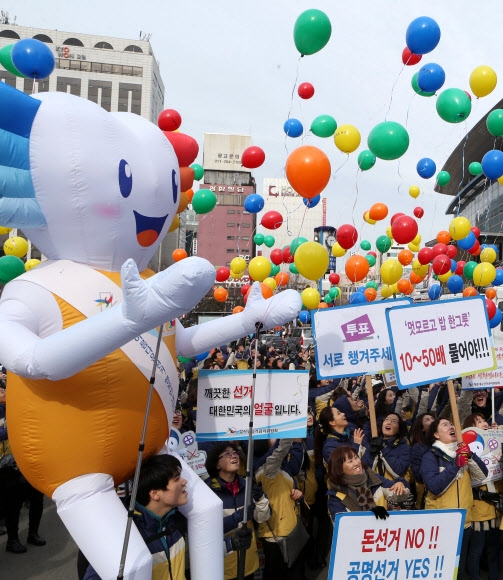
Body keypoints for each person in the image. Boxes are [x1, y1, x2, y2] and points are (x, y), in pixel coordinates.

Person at [83, 454, 190, 580]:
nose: (184, 481)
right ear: (155, 494)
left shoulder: (177, 518)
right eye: (177, 479)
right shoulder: (124, 534)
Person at [421, 418, 488, 580]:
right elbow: (435, 487)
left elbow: (482, 475)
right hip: (441, 525)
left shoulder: (462, 453)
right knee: (441, 571)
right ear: (436, 434)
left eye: (452, 424)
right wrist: (455, 465)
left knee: (458, 570)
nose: (451, 426)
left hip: (464, 523)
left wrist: (470, 456)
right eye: (445, 425)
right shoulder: (431, 456)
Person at [205, 442, 270, 580]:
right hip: (223, 567)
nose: (233, 456)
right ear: (217, 464)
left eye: (235, 453)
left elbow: (262, 518)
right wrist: (238, 517)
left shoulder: (248, 484)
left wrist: (261, 499)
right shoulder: (207, 491)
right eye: (227, 454)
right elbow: (207, 531)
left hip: (248, 562)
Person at [0, 385, 46, 553]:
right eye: (0, 391)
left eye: (4, 390)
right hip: (7, 468)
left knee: (37, 499)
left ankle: (33, 533)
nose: (4, 392)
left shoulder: (14, 407)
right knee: (13, 505)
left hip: (29, 461)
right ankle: (12, 540)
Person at [255, 438, 305, 579]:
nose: (277, 437)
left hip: (292, 531)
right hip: (276, 536)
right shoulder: (267, 468)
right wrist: (289, 432)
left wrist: (299, 496)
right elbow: (281, 449)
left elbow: (294, 462)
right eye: (274, 435)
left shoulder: (283, 468)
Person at [462, 413, 501, 580]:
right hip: (478, 509)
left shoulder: (497, 441)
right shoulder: (466, 450)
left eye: (483, 420)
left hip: (497, 507)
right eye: (478, 421)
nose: (483, 423)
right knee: (476, 550)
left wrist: (498, 435)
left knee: (494, 549)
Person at [326, 445, 409, 522]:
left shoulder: (373, 478)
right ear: (339, 468)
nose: (356, 463)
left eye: (356, 457)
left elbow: (398, 494)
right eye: (350, 461)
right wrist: (371, 513)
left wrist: (401, 483)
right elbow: (345, 525)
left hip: (382, 532)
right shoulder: (335, 496)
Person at [409, 412, 436, 508]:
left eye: (433, 418)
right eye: (427, 420)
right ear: (422, 428)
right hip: (426, 495)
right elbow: (418, 475)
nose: (432, 421)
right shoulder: (418, 448)